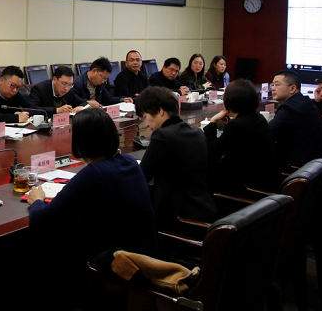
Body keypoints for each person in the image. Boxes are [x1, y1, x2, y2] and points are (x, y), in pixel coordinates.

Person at [27, 108, 156, 262]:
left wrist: (37, 201)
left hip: (116, 262)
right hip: (146, 253)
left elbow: (41, 220)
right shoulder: (129, 161)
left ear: (82, 140)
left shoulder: (93, 174)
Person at [136, 86, 217, 224]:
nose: (147, 124)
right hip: (205, 209)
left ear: (160, 111)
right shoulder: (197, 132)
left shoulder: (162, 136)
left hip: (177, 218)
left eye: (146, 117)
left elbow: (142, 176)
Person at [204, 79, 278, 194]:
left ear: (229, 101)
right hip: (264, 181)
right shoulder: (258, 118)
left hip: (245, 187)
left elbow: (212, 152)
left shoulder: (237, 125)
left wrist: (213, 122)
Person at [268, 70, 322, 169]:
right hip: (314, 164)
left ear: (292, 88)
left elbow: (267, 134)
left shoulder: (290, 109)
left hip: (297, 167)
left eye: (277, 85)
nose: (273, 89)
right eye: (272, 85)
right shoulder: (305, 101)